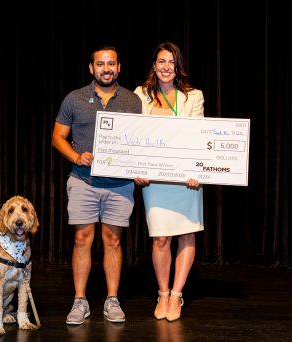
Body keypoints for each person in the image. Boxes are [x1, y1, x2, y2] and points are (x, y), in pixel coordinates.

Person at [52, 45, 142, 325]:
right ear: (92, 68)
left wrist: (139, 167)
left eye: (111, 63)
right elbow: (57, 137)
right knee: (82, 240)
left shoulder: (132, 101)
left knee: (113, 241)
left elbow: (140, 142)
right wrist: (77, 157)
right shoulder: (74, 98)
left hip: (120, 185)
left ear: (119, 67)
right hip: (83, 181)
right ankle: (80, 301)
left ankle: (111, 300)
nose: (106, 68)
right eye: (100, 64)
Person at [133, 42, 204, 322]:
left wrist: (198, 170)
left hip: (187, 179)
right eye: (161, 62)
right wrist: (135, 168)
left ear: (178, 67)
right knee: (161, 237)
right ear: (153, 65)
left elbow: (199, 135)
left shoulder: (193, 96)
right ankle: (162, 292)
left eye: (171, 63)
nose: (166, 67)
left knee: (186, 234)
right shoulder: (140, 94)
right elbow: (134, 136)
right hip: (155, 180)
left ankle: (177, 294)